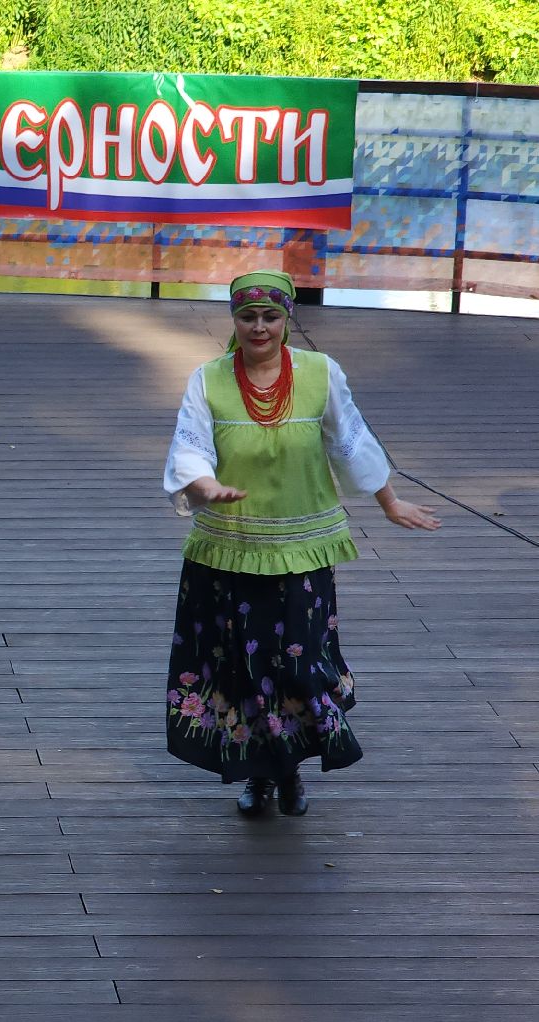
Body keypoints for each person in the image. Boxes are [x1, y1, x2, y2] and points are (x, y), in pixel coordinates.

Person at [163, 270, 440, 816]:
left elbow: (350, 438)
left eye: (270, 316)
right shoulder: (209, 379)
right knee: (244, 666)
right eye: (248, 317)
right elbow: (189, 444)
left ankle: (289, 769)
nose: (259, 327)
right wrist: (205, 484)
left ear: (287, 319)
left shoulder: (319, 372)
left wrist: (389, 502)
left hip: (302, 548)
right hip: (231, 547)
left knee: (298, 663)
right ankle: (264, 776)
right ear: (234, 320)